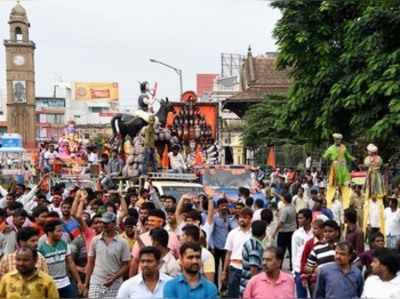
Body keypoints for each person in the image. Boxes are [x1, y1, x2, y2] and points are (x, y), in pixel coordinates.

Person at [86, 212, 131, 298]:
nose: (104, 225)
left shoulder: (123, 242)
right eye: (103, 223)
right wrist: (86, 283)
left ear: (114, 223)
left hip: (115, 285)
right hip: (96, 282)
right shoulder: (95, 240)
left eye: (107, 223)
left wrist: (114, 277)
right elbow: (90, 263)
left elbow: (126, 264)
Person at [38, 219, 84, 298]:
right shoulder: (41, 249)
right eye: (58, 231)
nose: (61, 233)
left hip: (65, 282)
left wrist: (79, 281)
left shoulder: (64, 244)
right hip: (50, 284)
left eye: (61, 231)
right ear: (49, 232)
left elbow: (71, 263)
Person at [222, 207, 253, 299]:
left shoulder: (254, 234)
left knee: (247, 294)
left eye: (245, 217)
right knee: (232, 294)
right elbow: (228, 253)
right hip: (234, 269)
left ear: (251, 219)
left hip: (249, 269)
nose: (241, 219)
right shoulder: (232, 233)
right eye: (240, 217)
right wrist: (224, 271)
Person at [323, 133, 355, 208]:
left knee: (345, 184)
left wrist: (352, 158)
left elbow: (347, 155)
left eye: (339, 139)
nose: (338, 140)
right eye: (337, 139)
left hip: (343, 167)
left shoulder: (343, 147)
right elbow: (325, 156)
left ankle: (345, 203)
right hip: (335, 167)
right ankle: (332, 199)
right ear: (334, 140)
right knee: (334, 184)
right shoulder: (331, 148)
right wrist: (327, 158)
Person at [240, 220, 267, 295]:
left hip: (246, 283)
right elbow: (253, 270)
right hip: (250, 286)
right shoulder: (254, 247)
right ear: (264, 233)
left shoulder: (249, 242)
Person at [272, 192, 297, 270]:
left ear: (285, 200)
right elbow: (282, 197)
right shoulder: (293, 207)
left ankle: (279, 266)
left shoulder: (285, 210)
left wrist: (275, 232)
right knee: (291, 249)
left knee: (280, 250)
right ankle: (292, 266)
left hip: (284, 232)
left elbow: (281, 222)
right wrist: (277, 194)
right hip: (292, 231)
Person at [292, 208, 313, 298]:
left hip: (312, 268)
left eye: (301, 218)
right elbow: (294, 252)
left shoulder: (315, 232)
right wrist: (294, 270)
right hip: (299, 269)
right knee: (301, 295)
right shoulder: (297, 234)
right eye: (298, 218)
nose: (298, 220)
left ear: (308, 219)